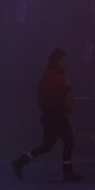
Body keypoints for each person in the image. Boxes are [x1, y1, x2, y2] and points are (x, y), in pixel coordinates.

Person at [11, 48, 83, 181]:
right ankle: (67, 173)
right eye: (63, 60)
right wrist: (67, 90)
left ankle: (20, 162)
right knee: (68, 141)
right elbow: (56, 96)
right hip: (55, 115)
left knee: (48, 145)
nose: (65, 63)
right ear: (57, 61)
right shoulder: (52, 76)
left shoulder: (54, 74)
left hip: (52, 115)